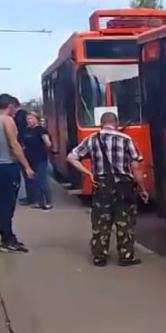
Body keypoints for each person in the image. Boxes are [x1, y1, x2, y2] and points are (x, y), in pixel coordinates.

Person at [67, 112, 148, 267]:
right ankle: (126, 256)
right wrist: (142, 188)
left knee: (101, 222)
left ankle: (99, 256)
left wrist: (88, 173)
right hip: (125, 186)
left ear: (101, 123)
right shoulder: (126, 140)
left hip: (102, 185)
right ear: (116, 123)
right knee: (125, 221)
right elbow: (136, 167)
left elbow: (71, 157)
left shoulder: (92, 139)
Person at [0, 94, 35, 253]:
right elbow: (14, 144)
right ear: (10, 105)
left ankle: (5, 236)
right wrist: (27, 166)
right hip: (8, 166)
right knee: (8, 204)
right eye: (14, 107)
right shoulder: (8, 120)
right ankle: (8, 240)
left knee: (0, 203)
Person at [21, 112, 53, 210]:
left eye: (31, 118)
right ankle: (39, 202)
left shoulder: (41, 130)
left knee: (43, 181)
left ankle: (48, 202)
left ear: (36, 119)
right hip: (30, 159)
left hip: (40, 159)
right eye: (28, 119)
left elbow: (48, 143)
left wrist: (48, 145)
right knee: (35, 182)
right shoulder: (26, 131)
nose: (29, 121)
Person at [13, 104, 32, 205]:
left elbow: (18, 132)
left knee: (26, 173)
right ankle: (33, 196)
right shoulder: (24, 114)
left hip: (23, 146)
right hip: (28, 146)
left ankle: (31, 197)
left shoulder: (18, 116)